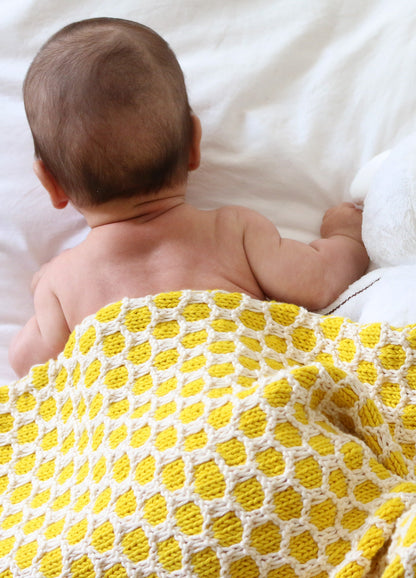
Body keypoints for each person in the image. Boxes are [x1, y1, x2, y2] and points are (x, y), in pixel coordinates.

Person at [9, 17, 368, 377]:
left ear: (51, 183)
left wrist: (43, 294)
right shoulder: (235, 232)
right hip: (239, 394)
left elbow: (27, 364)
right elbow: (320, 282)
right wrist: (348, 236)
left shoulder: (61, 281)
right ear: (194, 145)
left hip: (133, 411)